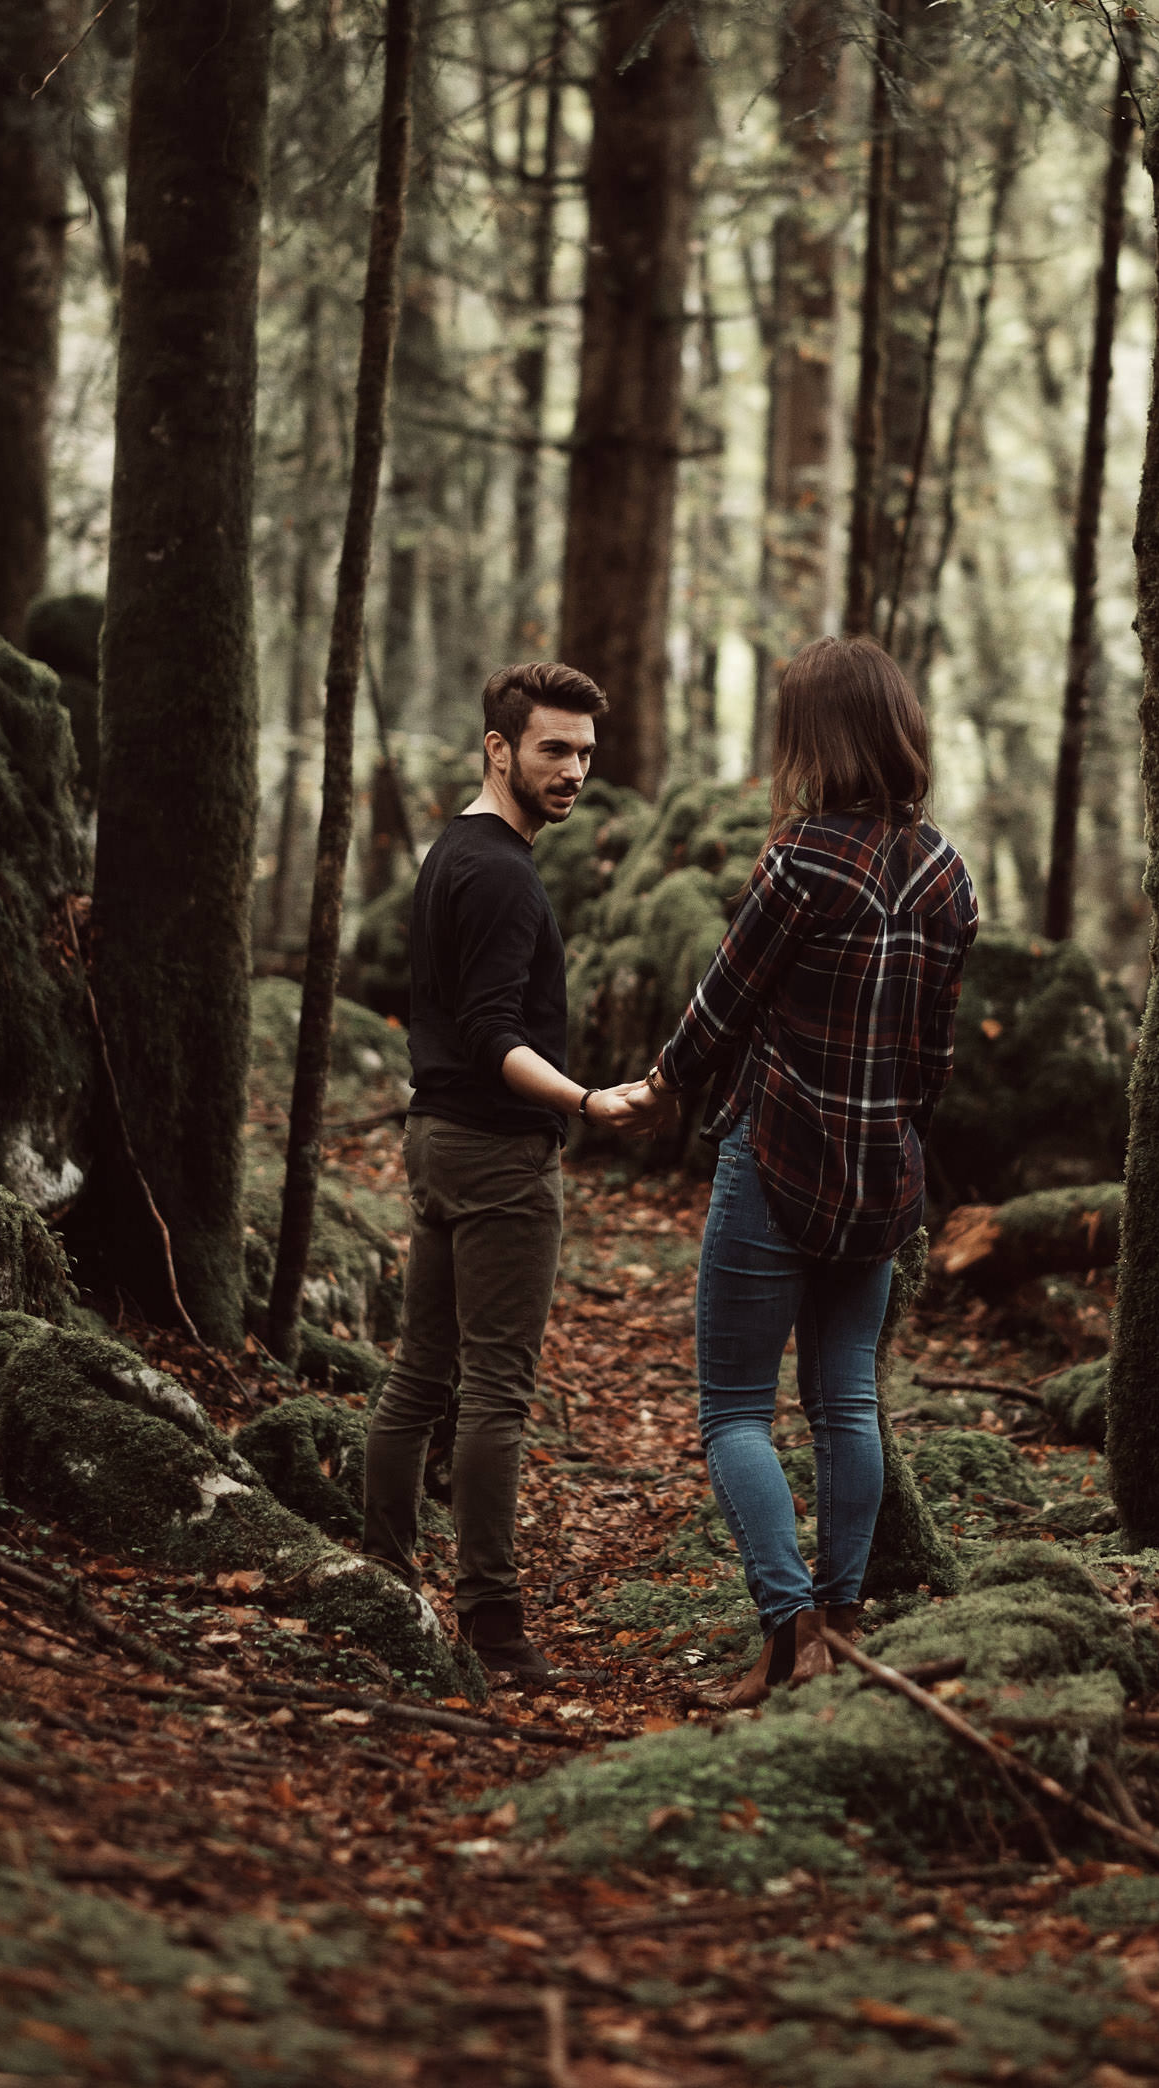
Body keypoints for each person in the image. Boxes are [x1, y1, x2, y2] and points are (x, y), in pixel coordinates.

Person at [629, 637, 978, 1706]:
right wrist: (896, 1151)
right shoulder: (949, 874)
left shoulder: (801, 861)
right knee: (848, 1404)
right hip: (883, 1175)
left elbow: (720, 1006)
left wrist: (661, 1082)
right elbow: (932, 1058)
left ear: (817, 737)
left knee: (734, 1409)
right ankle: (844, 1622)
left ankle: (788, 1632)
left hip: (776, 1158)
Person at [363, 659, 645, 1685]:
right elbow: (487, 1032)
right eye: (552, 750)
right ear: (498, 748)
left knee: (419, 1373)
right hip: (493, 1155)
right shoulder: (504, 875)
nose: (572, 770)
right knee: (492, 1392)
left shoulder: (454, 851)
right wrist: (586, 1099)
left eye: (583, 752)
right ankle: (491, 1620)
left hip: (437, 1141)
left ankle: (382, 1578)